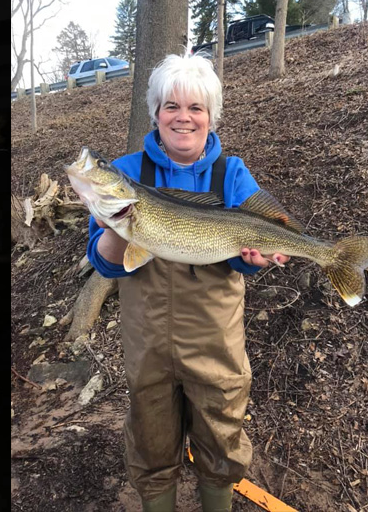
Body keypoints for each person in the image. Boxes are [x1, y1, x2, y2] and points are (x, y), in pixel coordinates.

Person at [85, 52, 290, 512]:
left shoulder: (231, 174)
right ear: (156, 113)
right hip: (148, 343)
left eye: (195, 108)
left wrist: (257, 260)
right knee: (150, 443)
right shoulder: (124, 173)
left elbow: (256, 247)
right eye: (171, 106)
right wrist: (122, 226)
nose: (183, 117)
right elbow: (105, 264)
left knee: (221, 437)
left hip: (214, 344)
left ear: (211, 116)